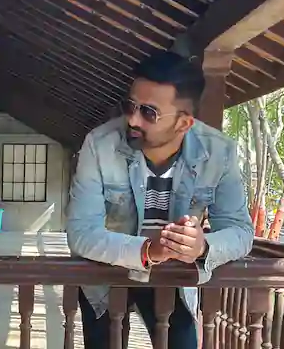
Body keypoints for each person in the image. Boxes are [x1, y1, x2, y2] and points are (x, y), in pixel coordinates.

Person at [66, 51, 254, 349]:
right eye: (130, 106)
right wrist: (147, 250)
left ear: (184, 123)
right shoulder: (99, 145)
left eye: (149, 113)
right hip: (106, 272)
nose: (132, 119)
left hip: (173, 279)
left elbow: (241, 231)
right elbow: (81, 233)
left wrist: (202, 247)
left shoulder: (219, 152)